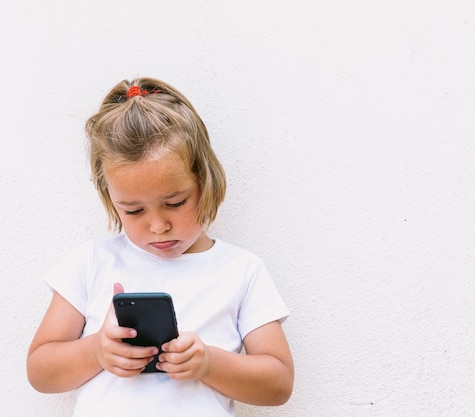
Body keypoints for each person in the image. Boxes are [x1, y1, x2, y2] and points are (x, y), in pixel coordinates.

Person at [26, 77, 294, 416]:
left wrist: (210, 363)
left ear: (205, 180)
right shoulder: (91, 262)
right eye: (133, 210)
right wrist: (96, 351)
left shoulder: (241, 270)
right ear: (110, 197)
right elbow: (40, 370)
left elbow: (279, 383)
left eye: (176, 202)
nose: (158, 225)